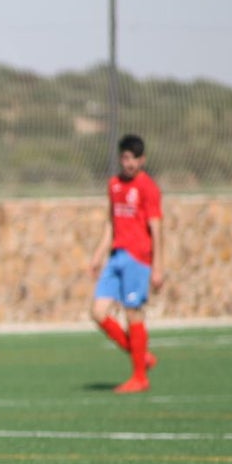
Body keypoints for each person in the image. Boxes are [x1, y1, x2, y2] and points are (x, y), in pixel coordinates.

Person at [89, 134, 163, 393]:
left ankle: (140, 377)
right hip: (116, 255)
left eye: (133, 159)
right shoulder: (114, 185)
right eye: (124, 158)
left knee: (133, 314)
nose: (128, 164)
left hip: (138, 257)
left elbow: (156, 228)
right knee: (97, 312)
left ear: (142, 160)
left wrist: (158, 266)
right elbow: (111, 222)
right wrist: (98, 254)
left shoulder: (148, 188)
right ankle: (140, 355)